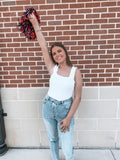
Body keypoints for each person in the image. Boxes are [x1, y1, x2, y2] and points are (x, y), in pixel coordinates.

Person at [29, 13, 82, 160]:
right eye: (54, 53)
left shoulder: (75, 72)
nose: (57, 54)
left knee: (67, 147)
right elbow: (43, 46)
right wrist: (35, 24)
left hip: (64, 110)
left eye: (59, 50)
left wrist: (68, 118)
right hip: (48, 107)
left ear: (64, 51)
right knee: (52, 139)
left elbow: (77, 97)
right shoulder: (53, 69)